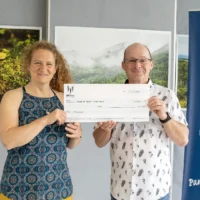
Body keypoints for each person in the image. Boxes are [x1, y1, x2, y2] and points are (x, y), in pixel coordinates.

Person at [93, 43, 189, 200]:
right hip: (121, 189)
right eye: (131, 60)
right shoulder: (110, 97)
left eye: (143, 60)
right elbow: (98, 141)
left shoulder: (167, 96)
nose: (137, 65)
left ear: (151, 64)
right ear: (123, 65)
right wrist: (105, 129)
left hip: (156, 189)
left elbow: (183, 139)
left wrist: (164, 116)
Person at [0, 40, 82, 200]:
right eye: (37, 63)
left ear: (56, 68)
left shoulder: (65, 99)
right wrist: (45, 120)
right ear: (28, 65)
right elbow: (8, 141)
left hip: (59, 188)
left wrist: (77, 134)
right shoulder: (13, 97)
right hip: (17, 190)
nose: (43, 68)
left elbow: (71, 145)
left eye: (49, 64)